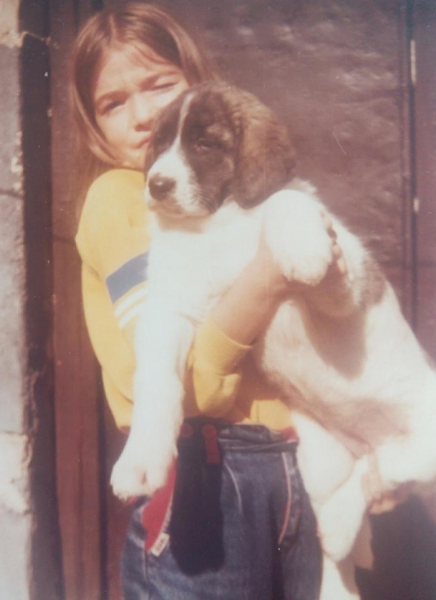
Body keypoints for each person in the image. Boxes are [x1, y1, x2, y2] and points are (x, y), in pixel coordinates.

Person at [71, 3, 350, 598]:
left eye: (159, 85)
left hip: (295, 459)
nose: (144, 115)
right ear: (92, 123)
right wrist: (271, 275)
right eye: (113, 103)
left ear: (197, 80)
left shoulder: (222, 191)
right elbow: (201, 383)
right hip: (205, 469)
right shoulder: (121, 200)